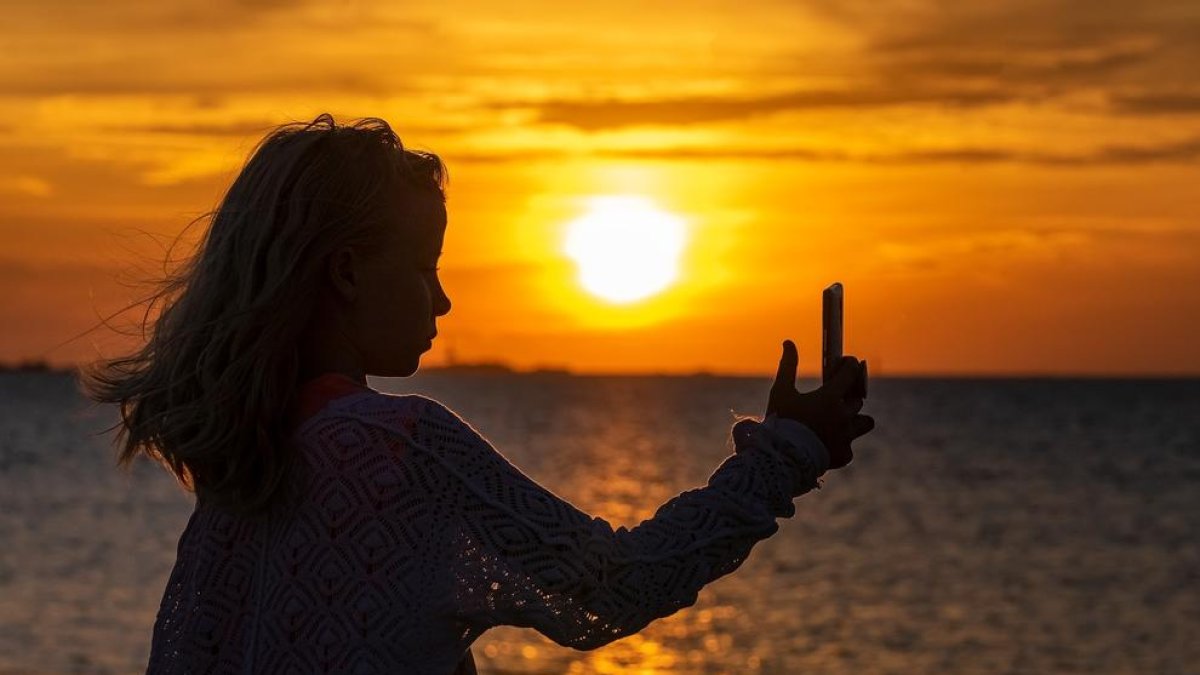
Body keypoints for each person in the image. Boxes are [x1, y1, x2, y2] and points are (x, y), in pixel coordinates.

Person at [80, 113, 875, 674]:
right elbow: (614, 587)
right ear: (348, 272)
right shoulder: (394, 447)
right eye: (425, 268)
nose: (444, 301)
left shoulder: (239, 474)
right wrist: (786, 453)